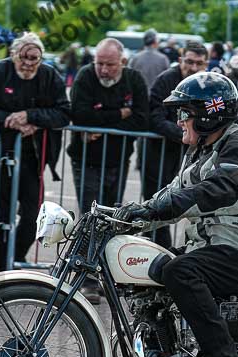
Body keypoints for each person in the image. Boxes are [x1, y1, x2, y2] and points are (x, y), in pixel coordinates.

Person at [114, 72, 238, 357]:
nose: (179, 120)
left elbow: (222, 189)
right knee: (152, 268)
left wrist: (161, 208)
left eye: (185, 113)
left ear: (208, 114)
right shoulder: (200, 152)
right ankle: (169, 356)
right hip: (211, 246)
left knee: (180, 271)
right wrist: (127, 215)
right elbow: (172, 194)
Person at [0, 33, 70, 272]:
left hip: (33, 158)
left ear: (41, 58)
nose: (27, 63)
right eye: (22, 57)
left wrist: (31, 116)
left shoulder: (49, 76)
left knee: (32, 215)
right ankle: (0, 270)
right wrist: (8, 120)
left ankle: (11, 261)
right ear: (13, 55)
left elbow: (64, 113)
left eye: (34, 58)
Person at [67, 38, 148, 303]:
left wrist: (105, 120)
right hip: (86, 160)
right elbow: (79, 115)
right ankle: (86, 278)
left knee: (112, 219)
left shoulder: (134, 80)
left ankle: (105, 274)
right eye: (99, 63)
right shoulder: (85, 77)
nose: (103, 69)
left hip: (118, 160)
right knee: (91, 217)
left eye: (109, 65)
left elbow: (140, 118)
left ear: (122, 62)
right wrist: (120, 113)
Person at [145, 40, 207, 248]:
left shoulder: (207, 84)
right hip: (161, 153)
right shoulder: (165, 80)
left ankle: (190, 256)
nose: (193, 67)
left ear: (206, 64)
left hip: (195, 155)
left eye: (199, 63)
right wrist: (186, 133)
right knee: (158, 207)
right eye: (189, 62)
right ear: (180, 60)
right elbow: (154, 116)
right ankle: (159, 255)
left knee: (196, 207)